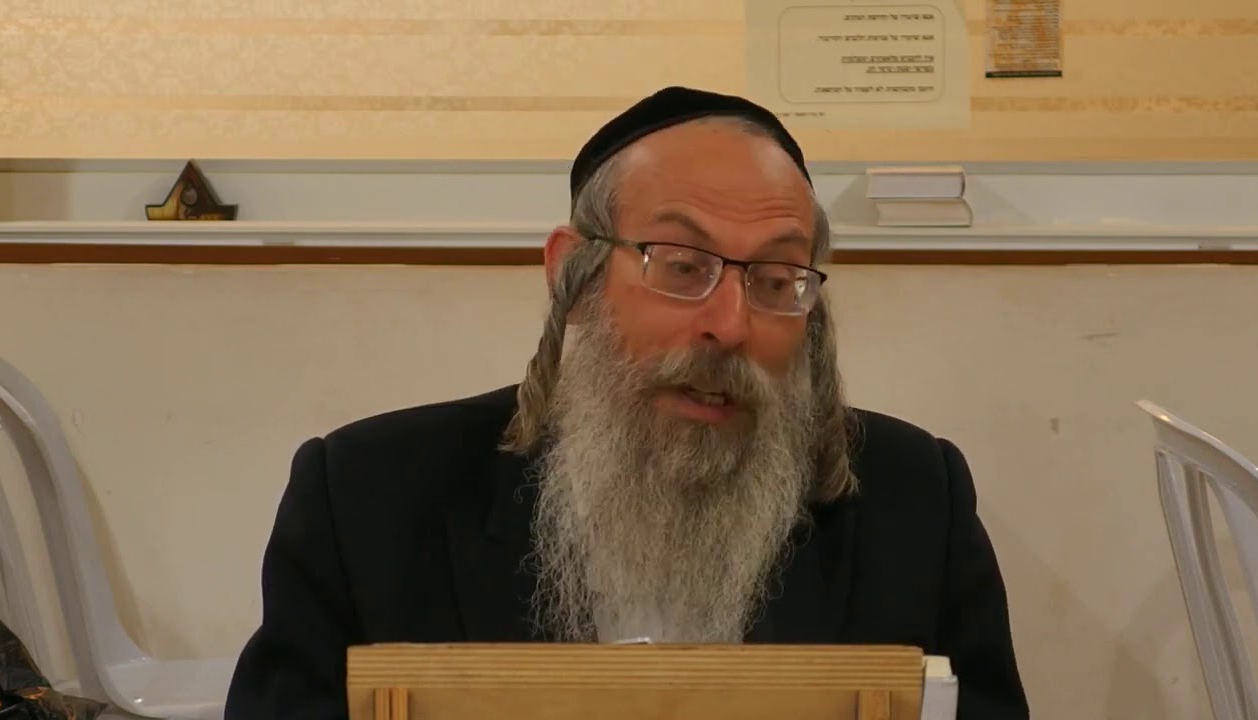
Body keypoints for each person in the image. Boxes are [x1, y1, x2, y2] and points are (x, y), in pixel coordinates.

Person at [224, 86, 1028, 719]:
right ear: (573, 278)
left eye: (776, 279)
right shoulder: (367, 496)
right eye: (681, 265)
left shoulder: (913, 500)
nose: (730, 326)